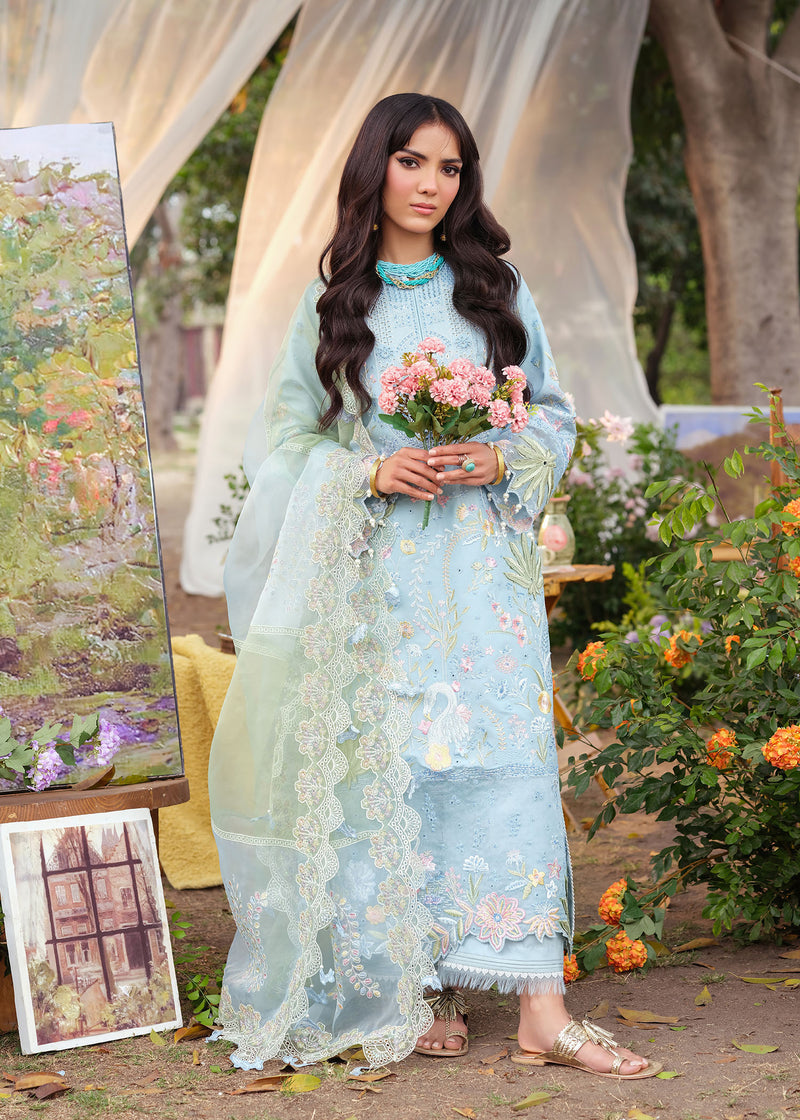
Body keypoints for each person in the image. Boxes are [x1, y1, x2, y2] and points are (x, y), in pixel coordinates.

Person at [208, 92, 658, 1080]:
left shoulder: (493, 289)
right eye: (412, 162)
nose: (429, 183)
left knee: (502, 762)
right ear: (378, 170)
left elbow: (551, 412)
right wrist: (366, 471)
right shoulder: (335, 306)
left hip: (483, 577)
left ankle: (541, 1004)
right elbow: (285, 443)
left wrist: (502, 459)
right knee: (398, 773)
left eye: (448, 168)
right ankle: (415, 982)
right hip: (380, 580)